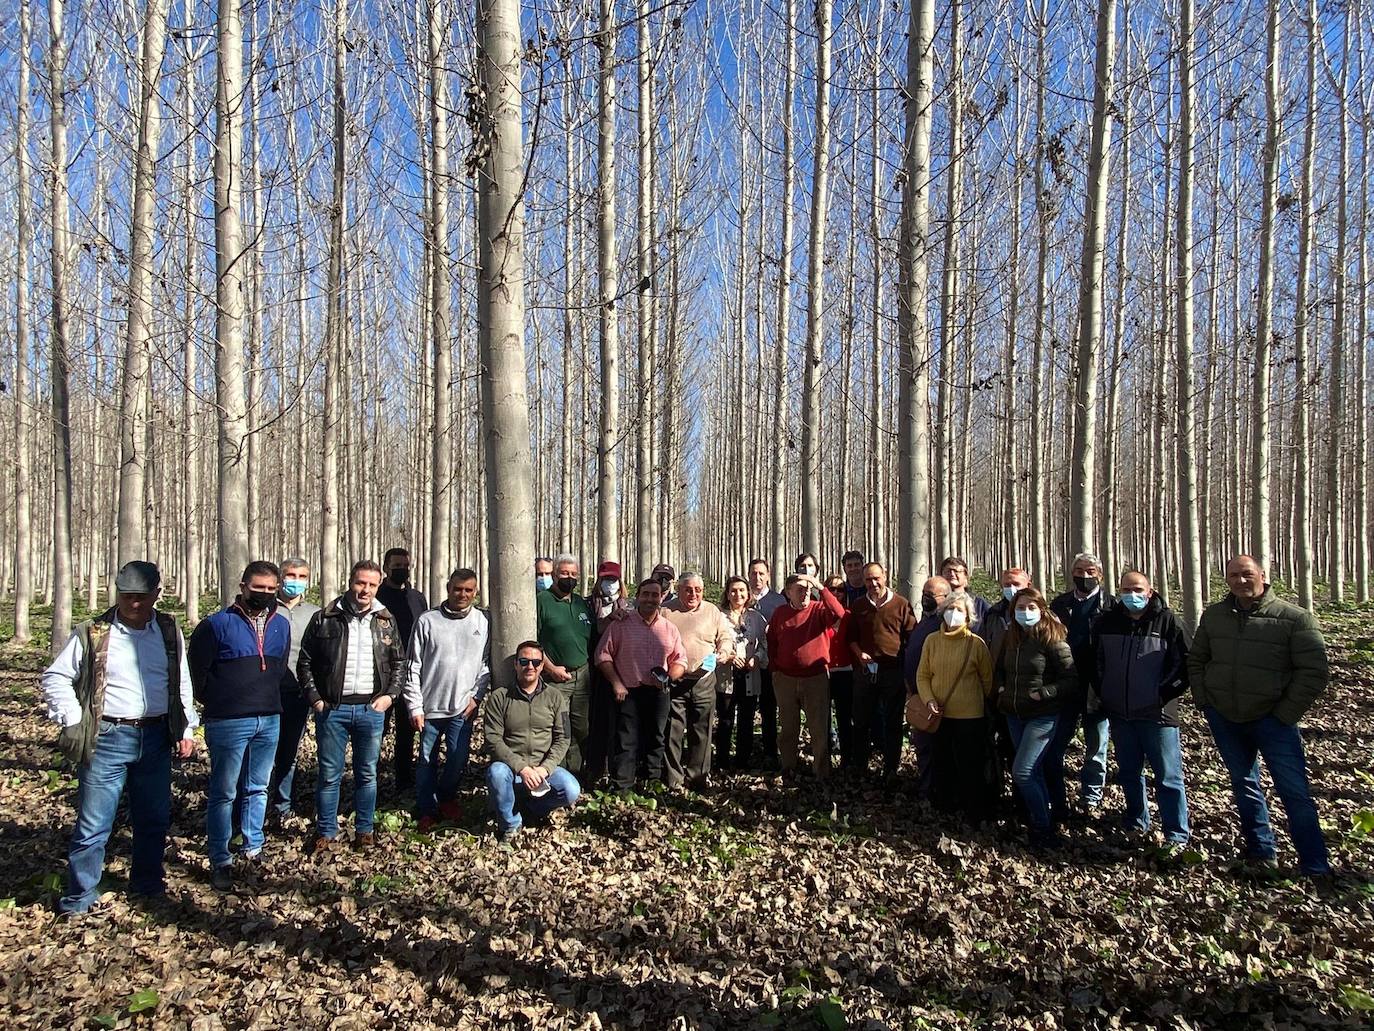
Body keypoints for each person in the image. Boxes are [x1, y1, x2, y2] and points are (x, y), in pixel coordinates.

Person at [40, 561, 197, 914]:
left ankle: (147, 884)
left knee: (153, 818)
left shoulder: (169, 630)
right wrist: (73, 718)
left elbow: (180, 680)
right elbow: (55, 677)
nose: (134, 604)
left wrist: (186, 727)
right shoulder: (94, 631)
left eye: (142, 597)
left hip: (156, 736)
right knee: (94, 823)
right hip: (107, 736)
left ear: (157, 594)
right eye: (127, 596)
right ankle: (80, 898)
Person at [1188, 555, 1331, 876]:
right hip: (1226, 717)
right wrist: (1206, 702)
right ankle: (1261, 852)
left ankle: (1314, 864)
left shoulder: (1294, 618)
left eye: (1247, 574)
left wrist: (1284, 714)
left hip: (1273, 721)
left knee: (1294, 791)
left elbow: (1314, 671)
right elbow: (1197, 659)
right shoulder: (1214, 617)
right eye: (1233, 575)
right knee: (1244, 784)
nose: (1240, 581)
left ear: (1263, 575)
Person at [188, 561, 291, 891]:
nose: (263, 594)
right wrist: (220, 701)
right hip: (228, 720)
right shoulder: (216, 625)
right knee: (224, 791)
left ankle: (253, 845)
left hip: (269, 717)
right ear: (243, 585)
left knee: (258, 786)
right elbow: (196, 676)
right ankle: (220, 857)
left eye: (270, 589)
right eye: (257, 587)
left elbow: (277, 667)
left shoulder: (281, 625)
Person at [297, 559, 406, 853]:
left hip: (371, 710)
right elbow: (305, 662)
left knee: (367, 773)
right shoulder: (326, 618)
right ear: (350, 581)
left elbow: (398, 662)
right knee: (330, 774)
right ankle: (326, 831)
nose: (365, 590)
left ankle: (365, 830)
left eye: (371, 585)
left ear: (378, 585)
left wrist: (390, 696)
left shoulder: (385, 619)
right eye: (361, 583)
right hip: (333, 709)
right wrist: (316, 700)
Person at [1093, 571, 1191, 848]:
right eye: (1126, 589)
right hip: (1120, 713)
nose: (1131, 595)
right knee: (1129, 772)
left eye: (1137, 589)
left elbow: (1185, 663)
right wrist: (1105, 691)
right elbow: (1096, 661)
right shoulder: (1107, 623)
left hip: (1157, 715)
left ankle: (1176, 833)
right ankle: (1136, 820)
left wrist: (1162, 693)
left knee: (1168, 776)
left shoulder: (1168, 621)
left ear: (1150, 591)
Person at [403, 568, 491, 832]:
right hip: (430, 707)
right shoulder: (427, 621)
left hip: (463, 707)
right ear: (448, 588)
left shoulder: (483, 622)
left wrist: (477, 697)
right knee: (426, 761)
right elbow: (412, 665)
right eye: (457, 589)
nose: (462, 594)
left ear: (475, 592)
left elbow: (486, 665)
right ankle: (427, 809)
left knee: (457, 757)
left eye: (468, 590)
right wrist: (414, 705)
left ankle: (447, 796)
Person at [995, 588, 1077, 848]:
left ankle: (1043, 827)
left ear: (1041, 609)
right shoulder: (1011, 636)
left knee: (1023, 771)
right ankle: (1041, 822)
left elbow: (1071, 679)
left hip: (1042, 715)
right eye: (1020, 608)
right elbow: (999, 669)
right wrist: (1000, 689)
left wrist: (1045, 693)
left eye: (1031, 607)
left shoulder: (1053, 637)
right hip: (1014, 714)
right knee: (1034, 772)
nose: (1025, 613)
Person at [483, 641, 581, 846]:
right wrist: (522, 769)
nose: (530, 667)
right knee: (497, 773)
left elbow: (563, 738)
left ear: (542, 666)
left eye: (536, 662)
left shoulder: (555, 697)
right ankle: (510, 824)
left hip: (543, 768)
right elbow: (493, 739)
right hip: (511, 767)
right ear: (516, 665)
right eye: (524, 661)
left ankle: (531, 810)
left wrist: (545, 769)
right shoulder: (499, 697)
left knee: (571, 789)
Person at [596, 579, 687, 792]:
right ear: (637, 596)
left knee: (656, 737)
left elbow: (680, 660)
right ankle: (622, 786)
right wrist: (617, 683)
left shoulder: (669, 628)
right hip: (628, 691)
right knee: (626, 740)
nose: (650, 599)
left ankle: (651, 782)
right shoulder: (620, 624)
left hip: (658, 691)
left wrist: (668, 677)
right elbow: (602, 655)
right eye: (645, 594)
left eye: (654, 595)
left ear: (661, 598)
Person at [916, 593, 994, 820]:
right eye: (951, 608)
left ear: (969, 616)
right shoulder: (932, 640)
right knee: (942, 762)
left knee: (970, 764)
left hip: (970, 717)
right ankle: (945, 806)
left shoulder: (976, 644)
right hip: (939, 714)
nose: (954, 614)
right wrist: (929, 699)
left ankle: (973, 810)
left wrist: (977, 701)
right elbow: (923, 675)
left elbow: (987, 680)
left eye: (960, 610)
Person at [1047, 552, 1114, 816]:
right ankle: (1057, 796)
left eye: (1090, 572)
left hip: (1096, 685)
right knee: (1056, 742)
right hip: (1065, 683)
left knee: (1096, 744)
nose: (1084, 576)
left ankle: (1091, 796)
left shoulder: (1110, 605)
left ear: (1099, 574)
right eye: (1079, 571)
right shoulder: (1060, 604)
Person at [766, 573, 845, 780]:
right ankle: (788, 767)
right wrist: (775, 670)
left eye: (808, 589)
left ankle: (821, 771)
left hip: (815, 678)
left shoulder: (818, 610)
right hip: (786, 679)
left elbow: (839, 613)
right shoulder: (780, 613)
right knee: (788, 727)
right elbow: (772, 641)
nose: (805, 593)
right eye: (800, 589)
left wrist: (821, 587)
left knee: (819, 727)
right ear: (788, 592)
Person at [663, 573, 735, 791]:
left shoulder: (712, 611)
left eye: (698, 590)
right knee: (672, 731)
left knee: (702, 731)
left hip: (703, 680)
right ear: (679, 589)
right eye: (688, 589)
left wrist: (724, 651)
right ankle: (672, 778)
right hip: (675, 680)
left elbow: (725, 636)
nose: (693, 594)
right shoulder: (666, 610)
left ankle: (698, 777)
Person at [848, 562, 918, 781]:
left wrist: (908, 673)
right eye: (868, 579)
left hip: (892, 671)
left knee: (892, 721)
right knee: (860, 719)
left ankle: (890, 768)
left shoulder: (901, 604)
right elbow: (851, 638)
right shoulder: (858, 605)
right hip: (866, 670)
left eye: (876, 578)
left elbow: (910, 638)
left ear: (885, 576)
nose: (873, 583)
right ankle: (860, 765)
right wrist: (859, 654)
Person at [267, 558, 321, 826]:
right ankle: (252, 801)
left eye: (301, 575)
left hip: (298, 693)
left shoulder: (315, 613)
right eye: (290, 574)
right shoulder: (265, 608)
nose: (295, 580)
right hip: (264, 693)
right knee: (261, 752)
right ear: (280, 577)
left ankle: (282, 804)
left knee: (288, 751)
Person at [536, 553, 595, 775]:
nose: (569, 578)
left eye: (573, 574)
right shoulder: (542, 601)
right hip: (555, 678)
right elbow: (534, 641)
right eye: (564, 574)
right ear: (554, 575)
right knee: (559, 728)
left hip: (583, 675)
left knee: (582, 728)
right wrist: (550, 668)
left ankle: (578, 773)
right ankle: (557, 775)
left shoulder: (581, 603)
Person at [377, 547, 429, 792]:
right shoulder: (376, 597)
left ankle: (403, 782)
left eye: (405, 566)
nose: (401, 570)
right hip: (380, 674)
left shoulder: (417, 598)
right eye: (396, 566)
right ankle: (370, 780)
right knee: (377, 729)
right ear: (386, 567)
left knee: (407, 732)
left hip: (411, 673)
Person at [901, 575, 951, 797]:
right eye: (924, 593)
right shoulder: (923, 621)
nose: (925, 598)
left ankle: (937, 791)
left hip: (937, 696)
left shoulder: (946, 624)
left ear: (946, 597)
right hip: (918, 695)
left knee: (937, 747)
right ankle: (925, 787)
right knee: (923, 744)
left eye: (931, 595)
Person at [583, 560, 631, 783]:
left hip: (621, 674)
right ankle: (593, 769)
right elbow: (591, 632)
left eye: (613, 579)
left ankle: (617, 770)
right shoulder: (587, 606)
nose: (609, 584)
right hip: (592, 673)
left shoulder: (629, 607)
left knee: (619, 724)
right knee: (595, 722)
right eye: (605, 579)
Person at [717, 576, 768, 771]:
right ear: (727, 594)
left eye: (741, 590)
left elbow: (764, 643)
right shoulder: (719, 616)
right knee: (725, 720)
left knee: (746, 720)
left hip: (750, 674)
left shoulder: (756, 617)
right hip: (726, 676)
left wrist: (757, 657)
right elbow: (713, 644)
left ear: (748, 594)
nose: (738, 594)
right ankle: (722, 761)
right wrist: (729, 656)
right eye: (733, 591)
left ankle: (742, 761)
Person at [747, 558, 785, 770]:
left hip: (771, 664)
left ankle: (771, 751)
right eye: (753, 573)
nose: (757, 577)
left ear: (768, 575)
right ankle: (745, 749)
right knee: (746, 709)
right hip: (745, 665)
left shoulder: (778, 601)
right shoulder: (742, 597)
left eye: (761, 573)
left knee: (769, 708)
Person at [823, 574, 856, 768]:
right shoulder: (819, 614)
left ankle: (847, 757)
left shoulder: (848, 616)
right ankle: (825, 755)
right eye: (832, 589)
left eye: (840, 589)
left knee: (845, 717)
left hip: (845, 671)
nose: (836, 593)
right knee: (823, 718)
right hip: (823, 672)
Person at [980, 567, 1031, 661]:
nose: (1012, 589)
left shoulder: (1041, 613)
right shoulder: (993, 613)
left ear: (1028, 585)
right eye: (1007, 585)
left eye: (1016, 584)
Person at [939, 556, 991, 626]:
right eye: (948, 571)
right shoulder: (937, 604)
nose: (952, 574)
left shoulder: (980, 605)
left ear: (966, 576)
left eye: (956, 571)